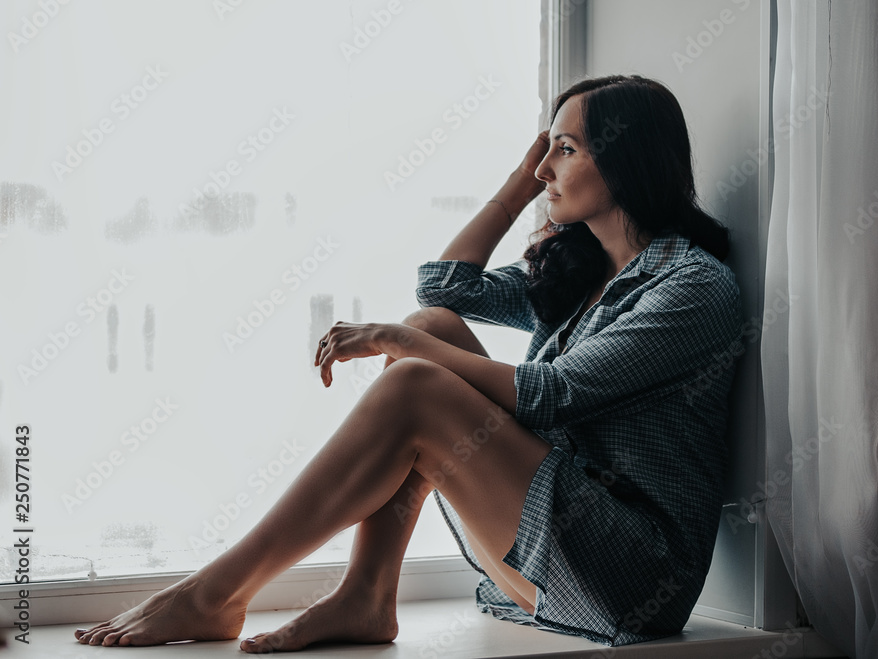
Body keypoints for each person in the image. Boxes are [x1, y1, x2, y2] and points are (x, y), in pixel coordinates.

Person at [74, 73, 742, 652]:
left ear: (625, 161)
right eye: (544, 151)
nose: (544, 169)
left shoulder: (692, 286)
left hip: (631, 577)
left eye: (563, 151)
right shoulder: (581, 271)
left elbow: (554, 393)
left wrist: (401, 342)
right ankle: (367, 593)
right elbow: (445, 288)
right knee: (433, 326)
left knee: (421, 363)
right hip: (554, 543)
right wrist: (518, 185)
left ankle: (219, 589)